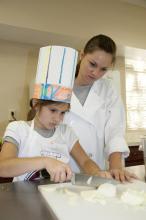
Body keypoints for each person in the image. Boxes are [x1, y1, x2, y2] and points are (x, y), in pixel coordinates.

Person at [0, 45, 111, 182]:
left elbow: (85, 162)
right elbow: (3, 166)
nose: (58, 118)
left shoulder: (66, 133)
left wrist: (97, 172)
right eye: (53, 110)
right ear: (36, 104)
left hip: (59, 196)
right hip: (24, 199)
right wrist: (45, 161)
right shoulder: (18, 129)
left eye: (63, 113)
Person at [64, 34, 135, 182]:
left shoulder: (108, 90)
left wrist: (115, 166)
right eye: (92, 64)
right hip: (63, 171)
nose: (96, 73)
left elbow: (115, 130)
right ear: (82, 55)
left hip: (98, 172)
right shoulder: (60, 85)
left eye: (103, 69)